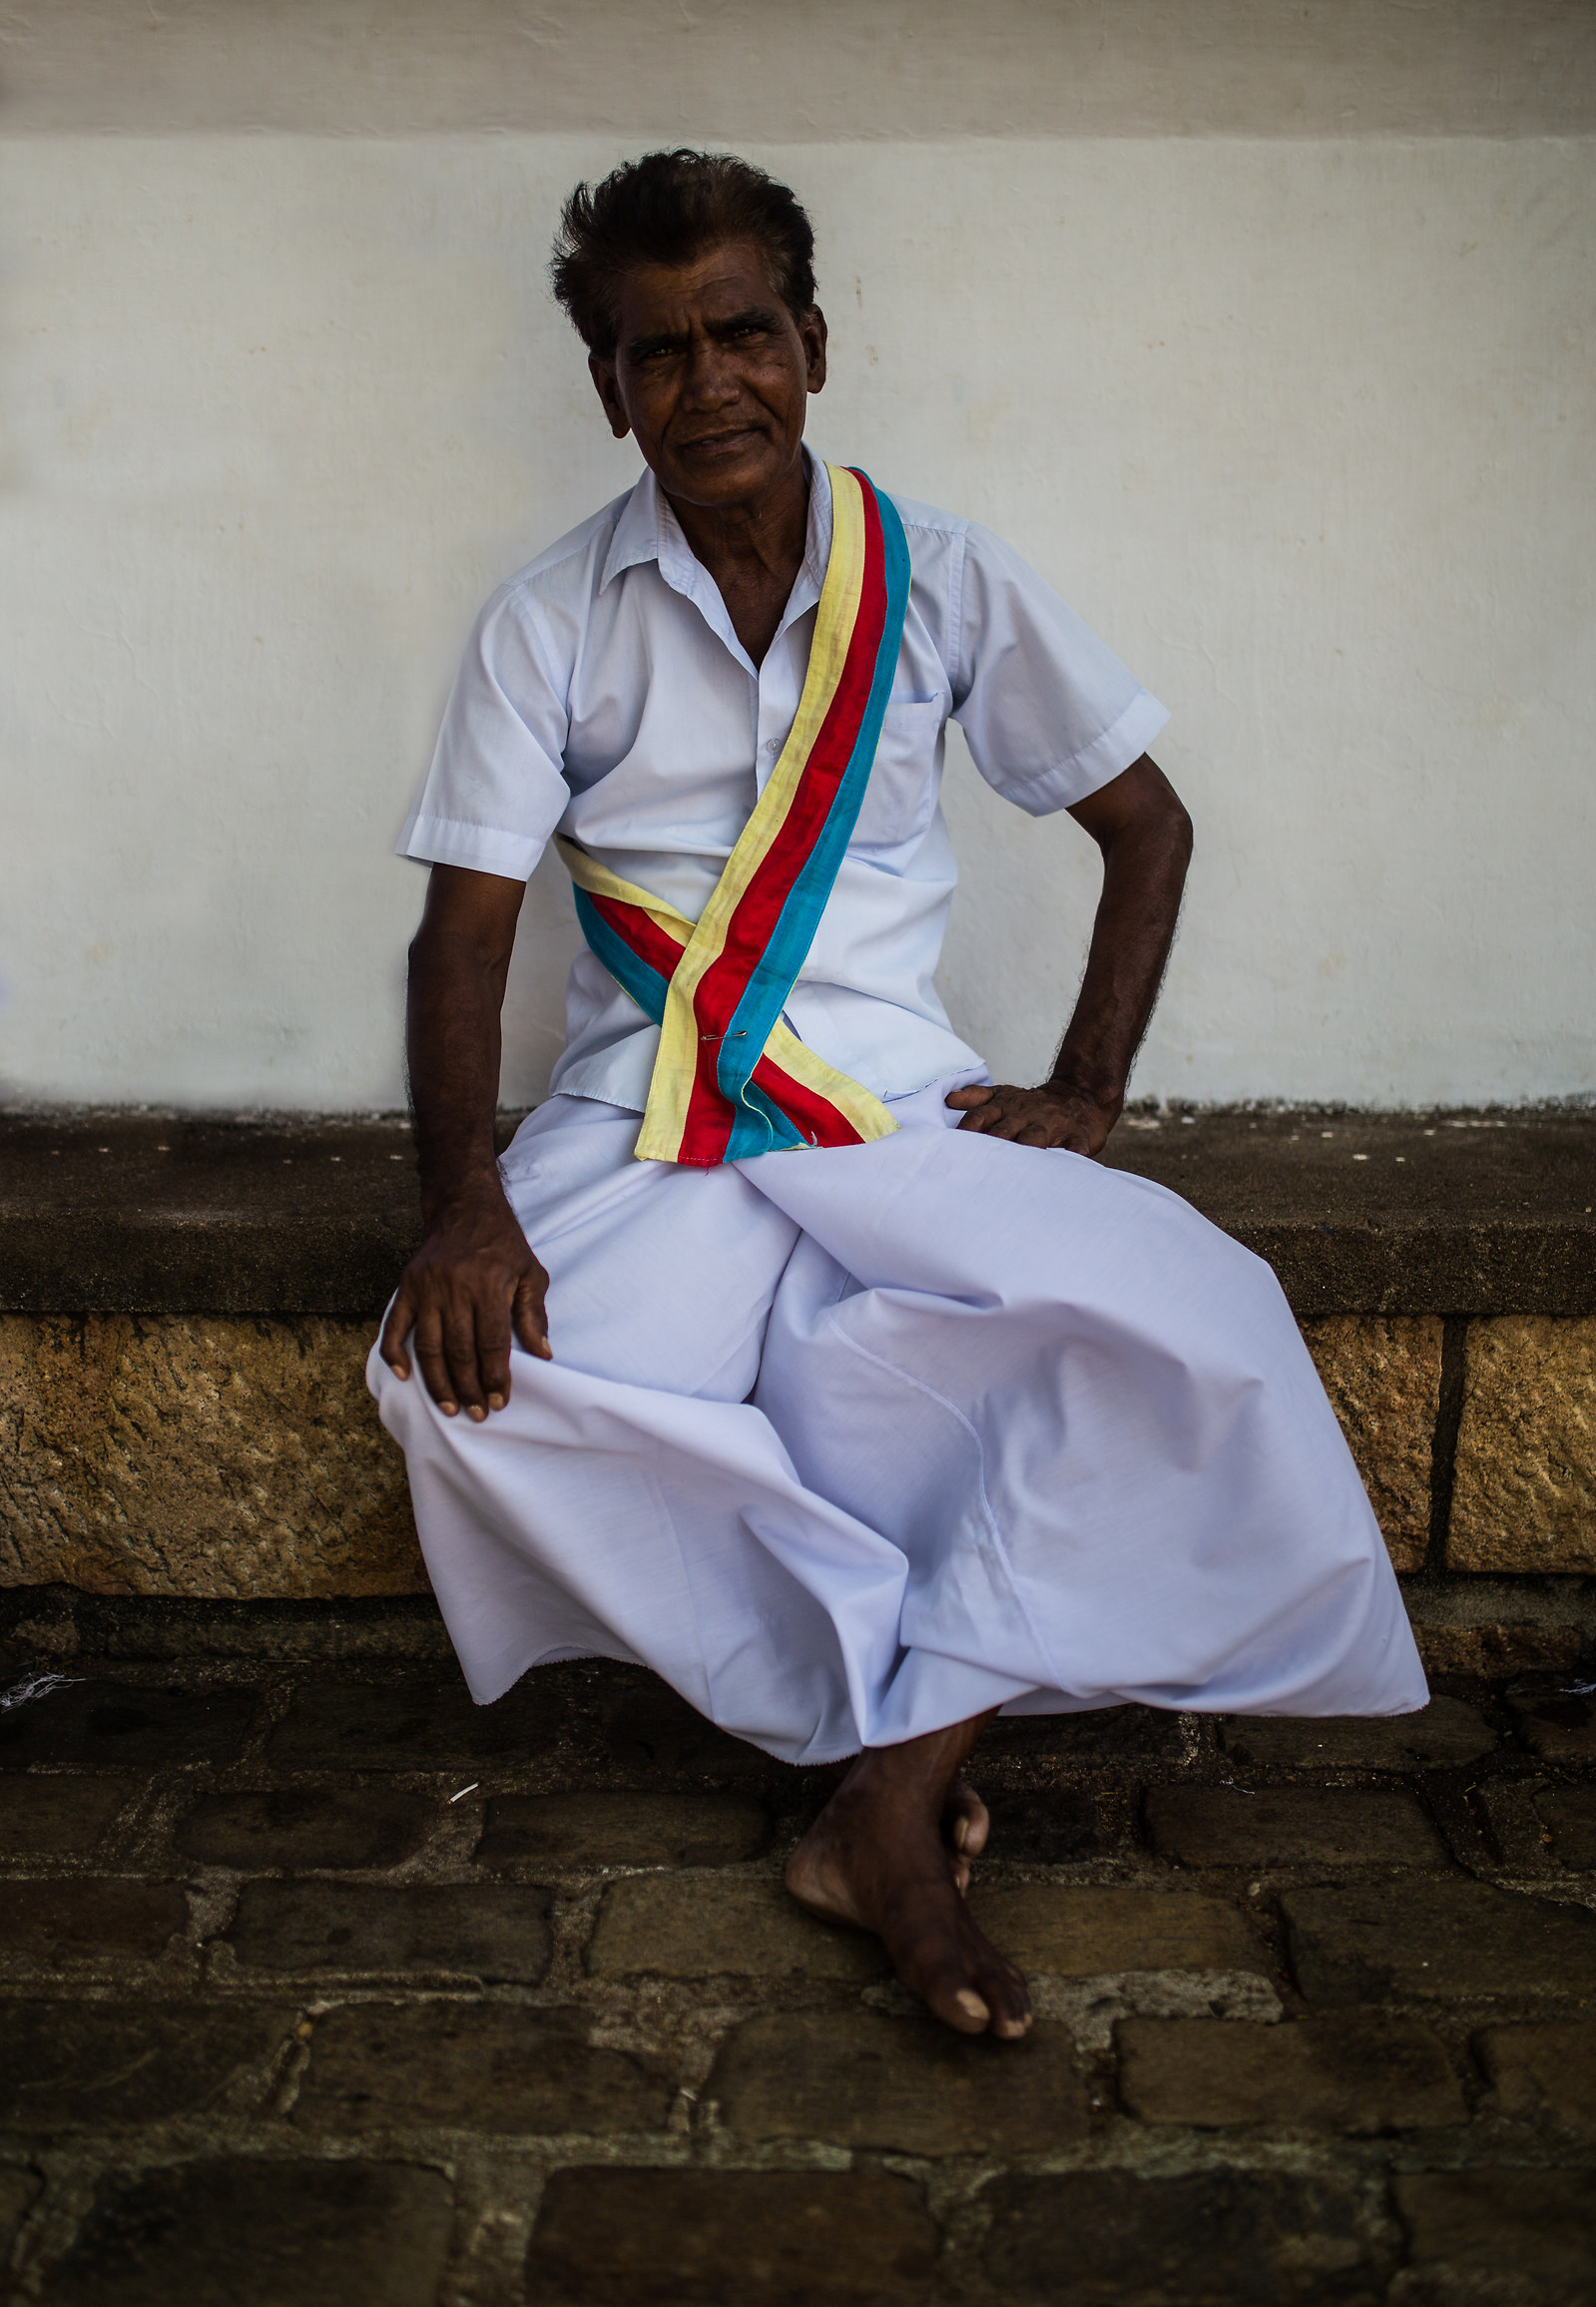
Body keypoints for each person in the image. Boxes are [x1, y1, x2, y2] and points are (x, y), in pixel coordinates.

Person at [370, 150, 1426, 2042]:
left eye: (744, 334)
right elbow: (460, 946)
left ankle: (881, 1804)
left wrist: (1088, 1091)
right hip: (650, 1120)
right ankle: (898, 1742)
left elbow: (1147, 826)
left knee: (1196, 1325)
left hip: (897, 1114)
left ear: (815, 344)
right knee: (450, 1380)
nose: (711, 387)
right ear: (607, 387)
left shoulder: (940, 577)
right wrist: (467, 1209)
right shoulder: (549, 619)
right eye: (658, 352)